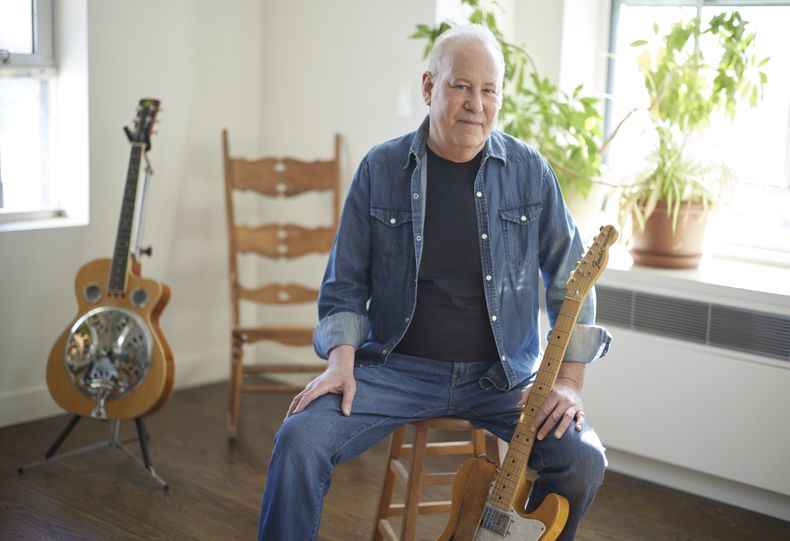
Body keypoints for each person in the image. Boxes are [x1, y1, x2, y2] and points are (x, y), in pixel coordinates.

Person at [258, 23, 611, 541]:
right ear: (429, 88)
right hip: (396, 370)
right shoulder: (381, 168)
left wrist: (569, 383)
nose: (476, 103)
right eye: (460, 86)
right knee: (299, 440)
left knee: (583, 462)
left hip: (504, 380)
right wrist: (340, 361)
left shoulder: (530, 173)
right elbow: (345, 285)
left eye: (489, 90)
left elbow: (571, 281)